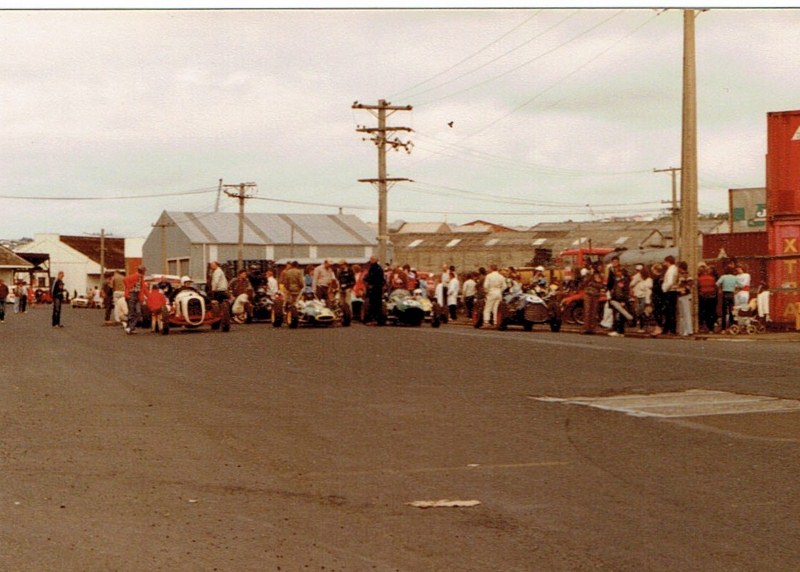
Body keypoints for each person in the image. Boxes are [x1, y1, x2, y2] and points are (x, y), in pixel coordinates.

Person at [606, 259, 631, 337]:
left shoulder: (624, 280)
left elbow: (625, 291)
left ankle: (619, 331)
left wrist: (624, 300)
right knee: (616, 314)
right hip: (615, 298)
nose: (618, 273)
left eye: (619, 272)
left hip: (620, 299)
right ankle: (618, 330)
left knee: (619, 315)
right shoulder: (616, 278)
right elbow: (611, 285)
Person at [123, 265, 147, 334]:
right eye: (144, 271)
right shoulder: (135, 276)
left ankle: (130, 327)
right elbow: (125, 280)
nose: (145, 272)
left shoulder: (141, 278)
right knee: (131, 312)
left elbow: (143, 288)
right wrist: (129, 288)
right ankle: (130, 328)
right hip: (132, 294)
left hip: (138, 295)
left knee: (138, 312)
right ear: (142, 271)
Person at [363, 255, 386, 325]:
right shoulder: (379, 268)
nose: (370, 260)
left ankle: (373, 319)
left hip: (374, 289)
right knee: (377, 305)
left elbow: (373, 278)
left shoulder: (374, 268)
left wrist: (368, 282)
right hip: (378, 289)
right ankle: (379, 320)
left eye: (371, 259)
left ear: (375, 260)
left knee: (373, 305)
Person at [696, 265, 718, 333]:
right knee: (710, 312)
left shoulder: (699, 279)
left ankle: (703, 327)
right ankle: (711, 328)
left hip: (703, 297)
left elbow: (698, 287)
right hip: (712, 297)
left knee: (703, 312)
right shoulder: (712, 278)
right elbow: (715, 287)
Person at [716, 264, 738, 331]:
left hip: (725, 294)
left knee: (724, 311)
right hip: (731, 294)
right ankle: (732, 326)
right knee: (732, 311)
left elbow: (717, 283)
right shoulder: (735, 277)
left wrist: (720, 288)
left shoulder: (723, 277)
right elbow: (739, 285)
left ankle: (723, 328)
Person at [630, 265, 652, 332]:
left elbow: (648, 289)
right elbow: (631, 284)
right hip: (639, 296)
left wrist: (648, 301)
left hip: (644, 297)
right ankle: (642, 327)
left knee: (642, 312)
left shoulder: (648, 280)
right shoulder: (639, 278)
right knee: (642, 312)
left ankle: (643, 327)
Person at [661, 255, 679, 335]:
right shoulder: (674, 269)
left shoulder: (671, 270)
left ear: (668, 262)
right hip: (672, 292)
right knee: (670, 311)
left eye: (665, 262)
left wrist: (664, 288)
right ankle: (668, 329)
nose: (664, 263)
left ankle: (670, 329)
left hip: (670, 291)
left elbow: (670, 282)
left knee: (669, 311)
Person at [676, 261, 694, 336]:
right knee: (683, 314)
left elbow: (690, 285)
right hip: (682, 296)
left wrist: (681, 288)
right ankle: (683, 330)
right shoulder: (682, 275)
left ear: (681, 268)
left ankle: (688, 330)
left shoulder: (686, 275)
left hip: (685, 296)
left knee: (685, 313)